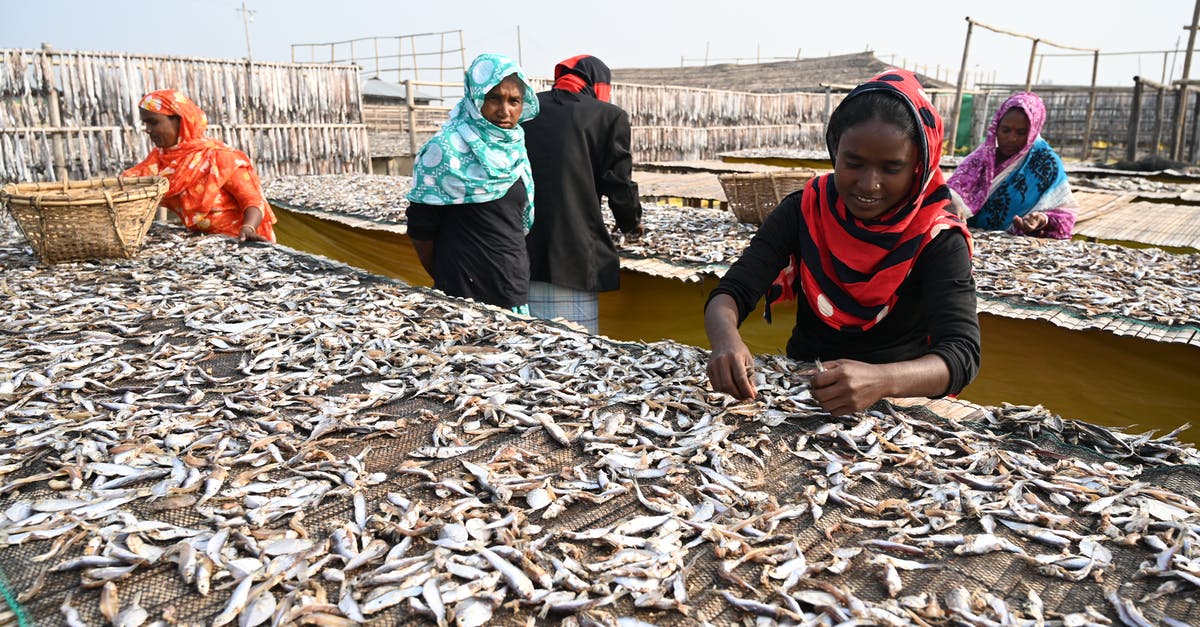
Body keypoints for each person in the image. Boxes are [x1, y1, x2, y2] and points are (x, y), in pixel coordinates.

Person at [704, 70, 981, 417]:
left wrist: (882, 380)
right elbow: (733, 290)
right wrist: (726, 339)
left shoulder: (938, 238)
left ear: (918, 167)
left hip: (901, 403)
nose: (869, 184)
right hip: (805, 390)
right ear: (835, 151)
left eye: (891, 168)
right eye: (853, 163)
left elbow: (962, 355)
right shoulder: (805, 209)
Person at [406, 54, 539, 313]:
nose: (505, 110)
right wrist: (449, 276)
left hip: (513, 288)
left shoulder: (515, 150)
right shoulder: (443, 151)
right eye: (493, 98)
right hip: (462, 296)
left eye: (514, 101)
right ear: (475, 97)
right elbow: (421, 231)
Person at [521, 54, 644, 333]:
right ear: (599, 84)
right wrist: (631, 223)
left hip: (518, 248)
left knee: (524, 343)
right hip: (574, 255)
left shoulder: (526, 108)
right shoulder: (609, 116)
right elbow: (619, 184)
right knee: (572, 349)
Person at [123, 89, 275, 242]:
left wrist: (248, 227)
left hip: (238, 240)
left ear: (180, 121)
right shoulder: (159, 159)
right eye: (145, 123)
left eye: (154, 122)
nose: (148, 130)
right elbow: (129, 182)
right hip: (203, 240)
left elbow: (253, 201)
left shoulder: (219, 157)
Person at [947, 92, 1079, 239]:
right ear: (996, 127)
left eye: (1021, 132)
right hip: (968, 236)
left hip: (1017, 242)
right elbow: (949, 194)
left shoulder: (1047, 164)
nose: (1011, 138)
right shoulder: (980, 159)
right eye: (1005, 130)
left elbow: (1065, 215)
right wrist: (952, 204)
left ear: (1033, 131)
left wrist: (1042, 219)